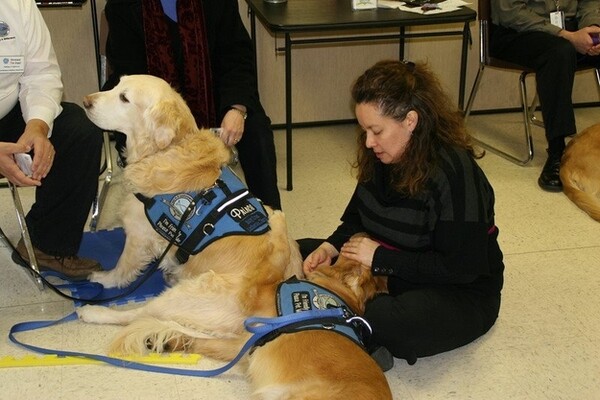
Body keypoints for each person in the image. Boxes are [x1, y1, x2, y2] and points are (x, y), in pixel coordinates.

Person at [299, 60, 505, 370]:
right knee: (300, 249)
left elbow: (460, 269)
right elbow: (358, 219)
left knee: (392, 321)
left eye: (376, 130)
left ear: (410, 120)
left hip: (459, 290)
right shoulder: (381, 155)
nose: (369, 142)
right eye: (365, 130)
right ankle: (355, 325)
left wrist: (381, 257)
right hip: (392, 271)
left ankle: (358, 324)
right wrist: (330, 246)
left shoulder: (453, 173)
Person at [102, 0, 282, 210]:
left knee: (257, 131)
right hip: (152, 112)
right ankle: (163, 224)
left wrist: (237, 108)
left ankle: (270, 220)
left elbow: (237, 56)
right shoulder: (121, 5)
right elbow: (129, 73)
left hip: (215, 99)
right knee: (147, 151)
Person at [0, 0, 103, 280]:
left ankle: (45, 244)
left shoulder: (17, 4)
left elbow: (41, 73)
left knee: (78, 132)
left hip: (7, 111)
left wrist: (37, 126)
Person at [490, 0, 600, 192]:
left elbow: (590, 2)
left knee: (570, 47)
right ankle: (558, 153)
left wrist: (592, 28)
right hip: (520, 31)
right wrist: (566, 36)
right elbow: (510, 12)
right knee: (560, 52)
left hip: (570, 27)